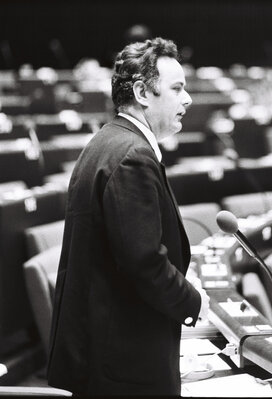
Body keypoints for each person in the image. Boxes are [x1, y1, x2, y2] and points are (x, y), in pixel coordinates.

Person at [47, 37, 210, 396]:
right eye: (177, 88)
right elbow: (144, 263)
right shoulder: (132, 155)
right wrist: (194, 300)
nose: (188, 99)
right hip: (122, 367)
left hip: (105, 352)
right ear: (141, 92)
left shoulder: (107, 141)